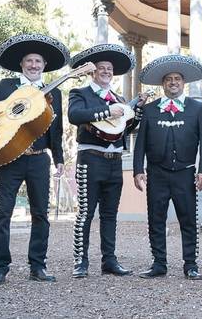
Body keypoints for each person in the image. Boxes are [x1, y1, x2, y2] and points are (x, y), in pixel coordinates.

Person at [0, 33, 69, 286]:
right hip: (9, 159)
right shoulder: (5, 86)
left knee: (41, 214)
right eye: (29, 61)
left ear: (44, 65)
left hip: (38, 161)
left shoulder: (54, 94)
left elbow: (57, 130)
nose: (34, 65)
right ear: (22, 64)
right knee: (2, 214)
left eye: (38, 61)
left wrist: (59, 159)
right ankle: (0, 268)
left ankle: (38, 266)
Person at [67, 44, 147, 278]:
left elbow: (124, 128)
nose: (106, 71)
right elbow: (75, 116)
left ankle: (109, 261)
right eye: (101, 68)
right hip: (90, 160)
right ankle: (80, 262)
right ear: (93, 72)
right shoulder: (80, 93)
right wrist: (106, 112)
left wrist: (137, 112)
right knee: (85, 213)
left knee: (110, 214)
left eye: (109, 69)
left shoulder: (120, 98)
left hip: (114, 161)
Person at [133, 54, 202, 280]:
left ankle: (191, 264)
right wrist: (138, 169)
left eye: (177, 79)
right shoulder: (150, 110)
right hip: (156, 174)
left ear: (183, 83)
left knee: (188, 220)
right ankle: (159, 263)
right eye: (168, 79)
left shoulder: (197, 108)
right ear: (163, 84)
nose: (173, 82)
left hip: (185, 174)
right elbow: (141, 143)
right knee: (155, 219)